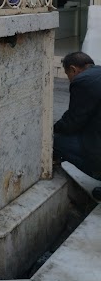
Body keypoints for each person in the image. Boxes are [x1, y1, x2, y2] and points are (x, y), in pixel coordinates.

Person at [53, 52, 101, 198]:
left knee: (55, 141)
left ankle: (97, 172)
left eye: (68, 75)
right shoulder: (98, 73)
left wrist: (52, 129)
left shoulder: (82, 81)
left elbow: (73, 121)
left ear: (73, 69)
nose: (69, 79)